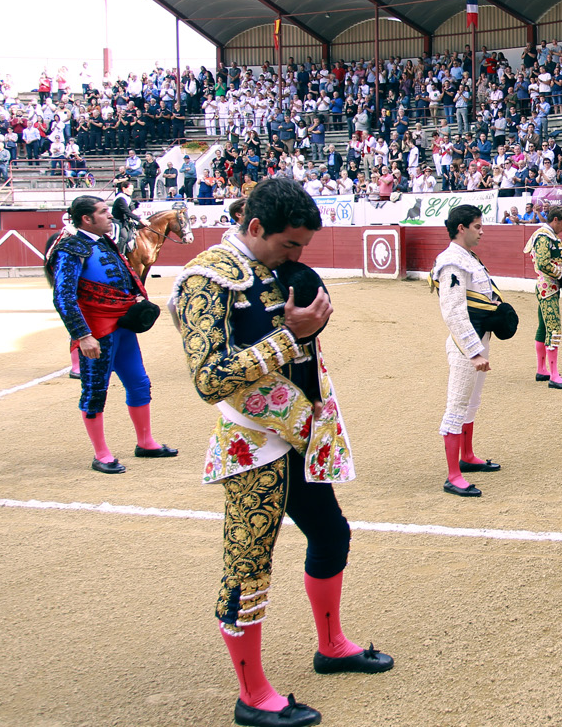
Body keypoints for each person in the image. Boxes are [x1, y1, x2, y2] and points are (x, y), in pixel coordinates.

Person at [170, 177, 392, 727]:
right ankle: (252, 697)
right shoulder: (206, 279)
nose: (297, 256)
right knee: (247, 567)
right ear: (254, 228)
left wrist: (310, 327)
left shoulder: (272, 270)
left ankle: (332, 645)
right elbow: (209, 378)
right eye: (290, 244)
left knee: (331, 532)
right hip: (251, 442)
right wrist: (289, 338)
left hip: (301, 429)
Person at [46, 195, 175, 474]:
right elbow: (63, 297)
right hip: (96, 331)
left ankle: (146, 442)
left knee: (139, 383)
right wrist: (82, 335)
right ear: (86, 219)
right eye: (104, 212)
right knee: (94, 391)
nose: (110, 216)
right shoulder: (70, 248)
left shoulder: (104, 242)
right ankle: (101, 454)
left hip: (122, 326)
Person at [432, 205, 511, 498]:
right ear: (461, 228)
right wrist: (474, 351)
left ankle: (467, 455)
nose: (482, 231)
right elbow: (453, 311)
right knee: (457, 405)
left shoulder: (466, 258)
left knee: (471, 402)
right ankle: (453, 475)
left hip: (479, 339)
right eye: (478, 226)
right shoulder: (452, 262)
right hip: (467, 345)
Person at [526, 205, 562, 389]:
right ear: (555, 220)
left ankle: (542, 370)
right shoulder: (544, 236)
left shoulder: (550, 236)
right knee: (554, 329)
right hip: (548, 288)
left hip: (549, 287)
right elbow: (543, 263)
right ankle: (554, 376)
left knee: (543, 327)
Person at [111, 178, 141, 256]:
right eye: (130, 189)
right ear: (124, 189)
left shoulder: (128, 198)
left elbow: (132, 210)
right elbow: (127, 212)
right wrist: (140, 219)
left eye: (132, 189)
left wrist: (138, 215)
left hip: (124, 221)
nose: (132, 190)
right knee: (124, 236)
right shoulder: (120, 198)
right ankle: (118, 255)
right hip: (117, 221)